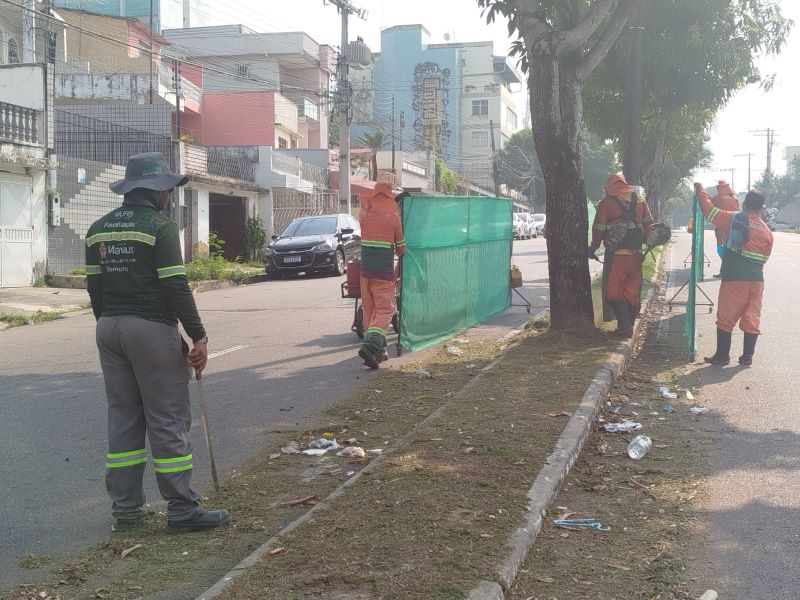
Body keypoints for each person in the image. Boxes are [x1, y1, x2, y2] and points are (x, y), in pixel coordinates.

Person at [85, 152, 230, 533]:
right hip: (149, 328)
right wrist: (197, 335)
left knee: (125, 420)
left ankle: (127, 511)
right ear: (157, 192)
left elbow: (96, 291)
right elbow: (175, 286)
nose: (170, 195)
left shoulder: (98, 228)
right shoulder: (159, 228)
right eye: (168, 189)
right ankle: (182, 509)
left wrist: (115, 328)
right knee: (167, 420)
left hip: (109, 329)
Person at [695, 182, 773, 365]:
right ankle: (747, 357)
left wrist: (701, 190)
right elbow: (765, 257)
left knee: (726, 317)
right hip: (757, 281)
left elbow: (710, 211)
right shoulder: (767, 231)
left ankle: (722, 356)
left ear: (745, 203)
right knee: (752, 317)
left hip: (735, 278)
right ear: (761, 208)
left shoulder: (736, 219)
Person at [588, 173, 654, 337]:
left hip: (617, 256)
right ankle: (628, 326)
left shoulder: (606, 203)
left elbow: (598, 229)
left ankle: (624, 327)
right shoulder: (640, 200)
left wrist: (593, 248)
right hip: (637, 255)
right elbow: (649, 225)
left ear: (609, 187)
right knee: (631, 292)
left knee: (612, 293)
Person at [357, 181, 405, 368]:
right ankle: (371, 346)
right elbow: (400, 248)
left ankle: (379, 351)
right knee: (385, 310)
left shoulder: (363, 215)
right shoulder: (393, 220)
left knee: (371, 312)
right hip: (383, 274)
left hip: (365, 273)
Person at [710, 180, 740, 277]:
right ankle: (725, 270)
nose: (718, 189)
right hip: (734, 228)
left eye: (719, 187)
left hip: (722, 228)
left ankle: (728, 269)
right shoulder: (735, 199)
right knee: (730, 249)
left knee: (721, 249)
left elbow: (708, 205)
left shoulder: (719, 198)